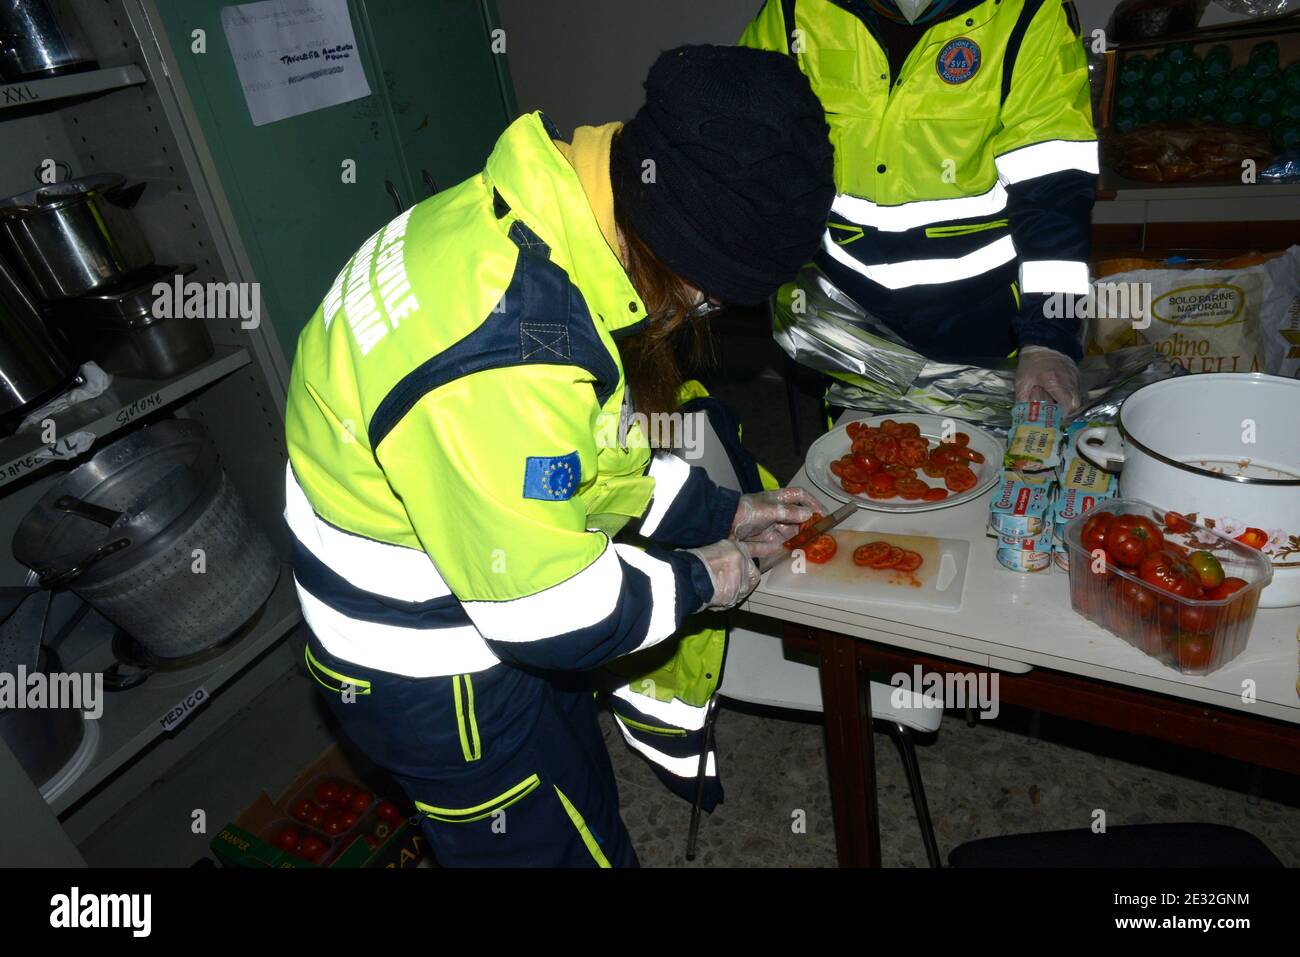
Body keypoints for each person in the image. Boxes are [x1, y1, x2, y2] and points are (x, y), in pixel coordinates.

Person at [283, 45, 836, 867]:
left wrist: (721, 510)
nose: (698, 313)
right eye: (709, 295)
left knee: (576, 794)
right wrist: (707, 577)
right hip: (439, 676)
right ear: (676, 242)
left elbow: (574, 456)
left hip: (479, 599)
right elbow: (551, 613)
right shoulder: (507, 347)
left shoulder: (535, 226)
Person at [740, 0, 1098, 411]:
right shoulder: (794, 10)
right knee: (853, 460)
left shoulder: (1029, 13)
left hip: (980, 319)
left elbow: (1055, 189)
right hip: (844, 315)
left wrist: (1049, 339)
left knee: (981, 463)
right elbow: (746, 142)